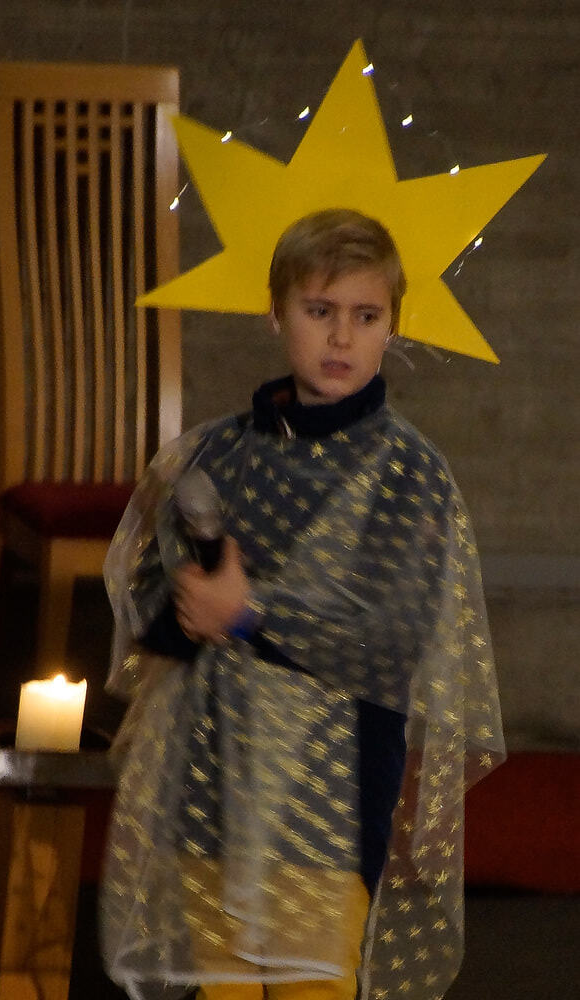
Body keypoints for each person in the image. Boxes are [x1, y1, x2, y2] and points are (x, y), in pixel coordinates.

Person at [100, 209, 503, 1000]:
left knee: (312, 988)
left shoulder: (407, 473)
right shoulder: (213, 454)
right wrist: (189, 605)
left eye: (366, 316)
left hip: (328, 802)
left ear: (393, 324)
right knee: (219, 985)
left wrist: (247, 614)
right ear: (276, 313)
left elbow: (390, 640)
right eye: (320, 311)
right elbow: (148, 598)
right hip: (210, 789)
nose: (341, 337)